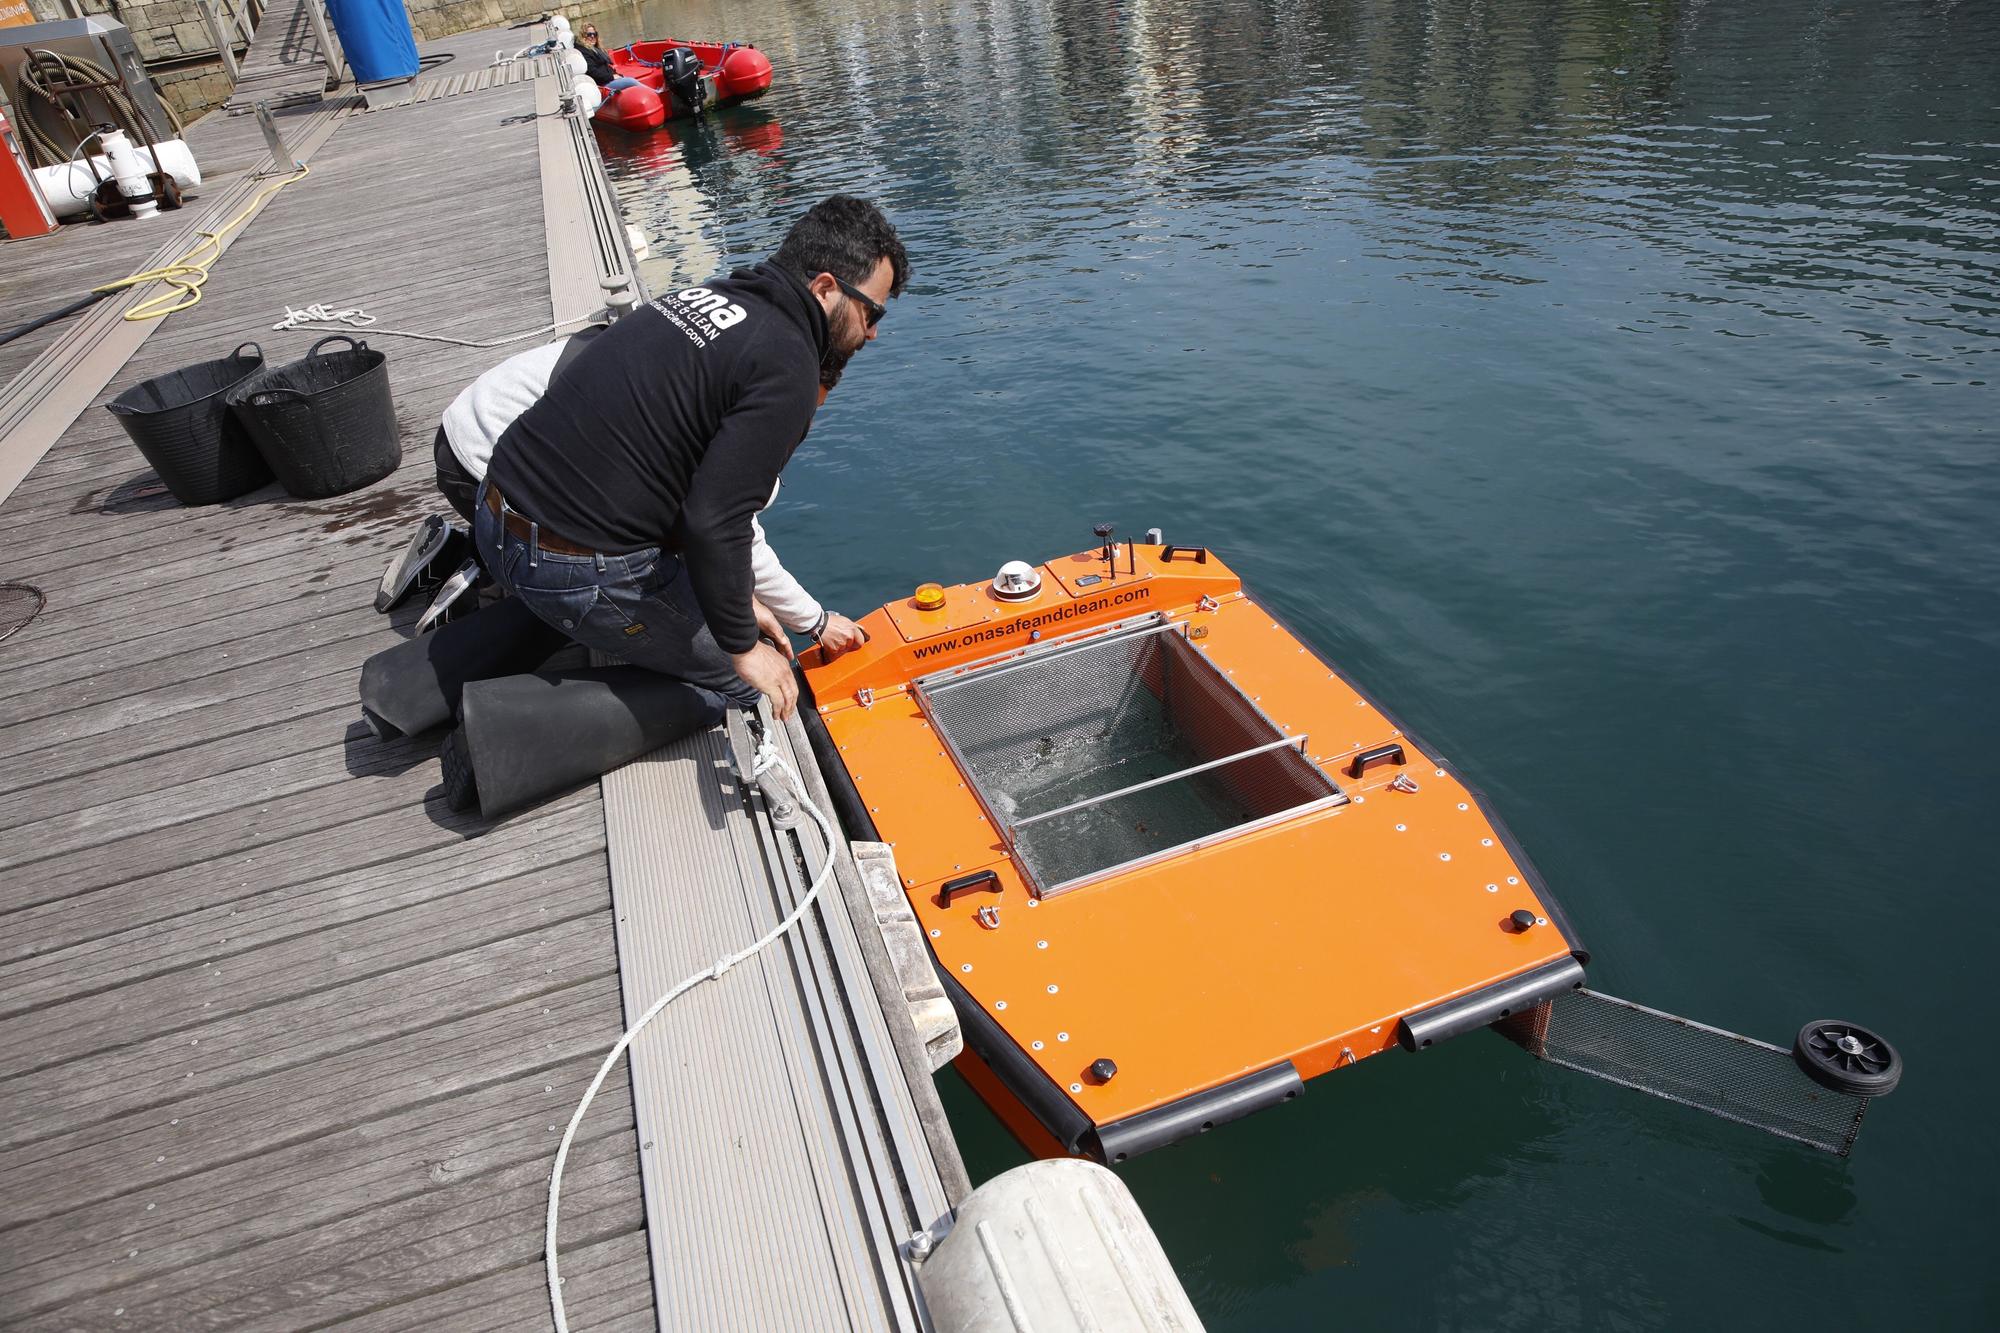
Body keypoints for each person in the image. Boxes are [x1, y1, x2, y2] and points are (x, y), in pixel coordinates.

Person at [472, 194, 907, 723]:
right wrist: (742, 650)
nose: (873, 332)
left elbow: (672, 479)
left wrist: (735, 602)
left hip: (490, 514)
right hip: (568, 565)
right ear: (824, 288)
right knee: (761, 689)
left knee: (728, 613)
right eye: (872, 311)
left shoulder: (705, 297)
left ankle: (511, 630)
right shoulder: (787, 363)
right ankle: (504, 721)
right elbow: (715, 518)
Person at [431, 331, 870, 657]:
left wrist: (739, 595)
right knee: (625, 610)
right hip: (481, 468)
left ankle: (470, 556)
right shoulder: (713, 435)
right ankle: (487, 580)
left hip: (465, 429)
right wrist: (816, 622)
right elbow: (733, 537)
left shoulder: (697, 373)